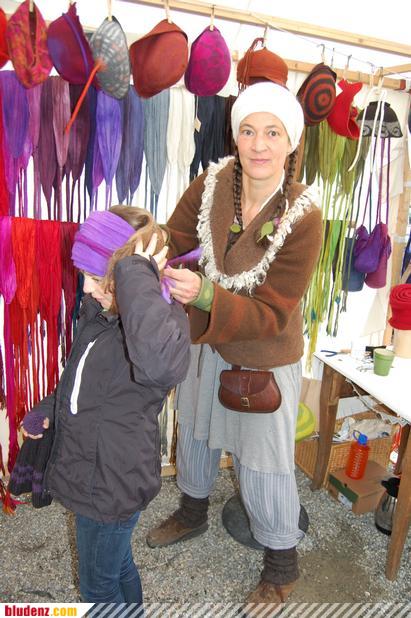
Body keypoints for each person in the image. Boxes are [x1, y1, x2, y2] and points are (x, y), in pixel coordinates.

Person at [146, 81, 323, 610]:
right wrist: (144, 244)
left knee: (263, 462)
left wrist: (204, 293)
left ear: (291, 142)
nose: (258, 144)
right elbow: (177, 237)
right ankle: (193, 512)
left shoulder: (303, 216)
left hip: (263, 352)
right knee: (196, 432)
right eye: (248, 131)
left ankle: (281, 565)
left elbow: (273, 312)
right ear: (235, 136)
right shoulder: (213, 183)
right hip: (205, 337)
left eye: (272, 133)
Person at [9, 206, 191, 605]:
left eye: (97, 278)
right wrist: (49, 408)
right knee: (117, 567)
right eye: (85, 276)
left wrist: (134, 274)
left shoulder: (160, 327)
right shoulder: (100, 316)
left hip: (110, 484)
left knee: (98, 587)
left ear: (131, 275)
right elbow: (82, 384)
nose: (87, 289)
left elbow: (160, 366)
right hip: (92, 470)